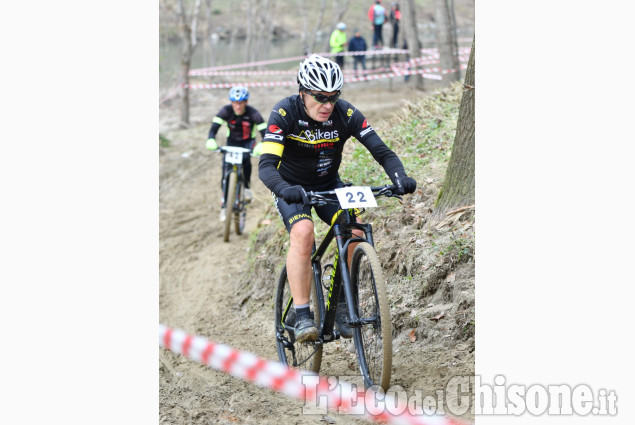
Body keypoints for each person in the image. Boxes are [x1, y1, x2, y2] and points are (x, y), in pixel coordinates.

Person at [258, 55, 416, 343]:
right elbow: (266, 165)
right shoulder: (284, 113)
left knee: (354, 231)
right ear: (302, 91)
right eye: (320, 97)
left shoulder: (346, 113)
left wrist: (399, 177)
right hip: (292, 188)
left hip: (329, 185)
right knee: (304, 233)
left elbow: (383, 152)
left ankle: (342, 305)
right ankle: (304, 314)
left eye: (333, 97)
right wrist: (283, 188)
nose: (327, 105)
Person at [206, 86, 267, 222]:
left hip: (247, 143)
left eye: (241, 103)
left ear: (246, 102)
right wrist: (211, 139)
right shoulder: (225, 111)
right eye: (235, 103)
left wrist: (262, 143)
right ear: (231, 102)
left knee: (246, 161)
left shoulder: (253, 113)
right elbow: (214, 127)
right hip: (231, 143)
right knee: (225, 171)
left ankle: (246, 187)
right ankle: (224, 206)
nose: (238, 106)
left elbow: (265, 131)